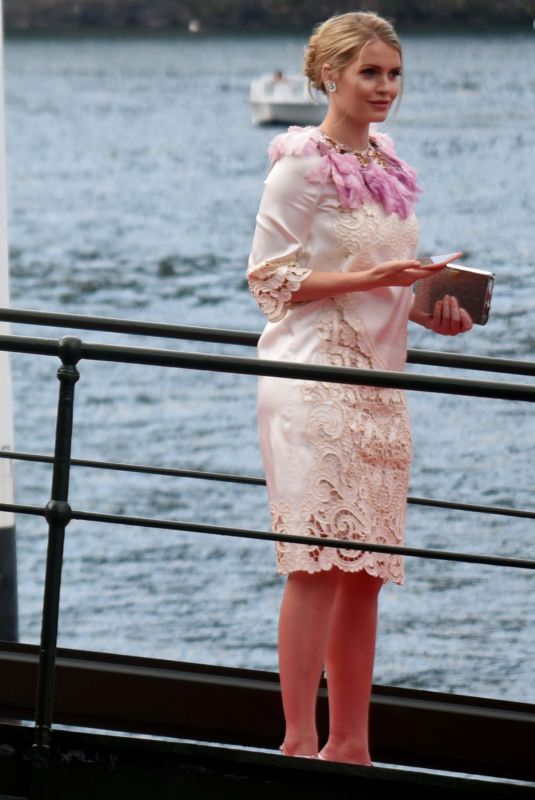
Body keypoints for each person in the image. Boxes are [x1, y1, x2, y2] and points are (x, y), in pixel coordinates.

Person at [247, 11, 472, 766]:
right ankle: (296, 743)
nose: (384, 88)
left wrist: (427, 307)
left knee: (365, 573)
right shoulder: (298, 166)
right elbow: (270, 280)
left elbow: (385, 280)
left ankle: (350, 748)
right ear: (328, 77)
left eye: (393, 74)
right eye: (369, 73)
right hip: (311, 380)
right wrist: (369, 277)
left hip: (380, 387)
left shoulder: (386, 163)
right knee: (314, 563)